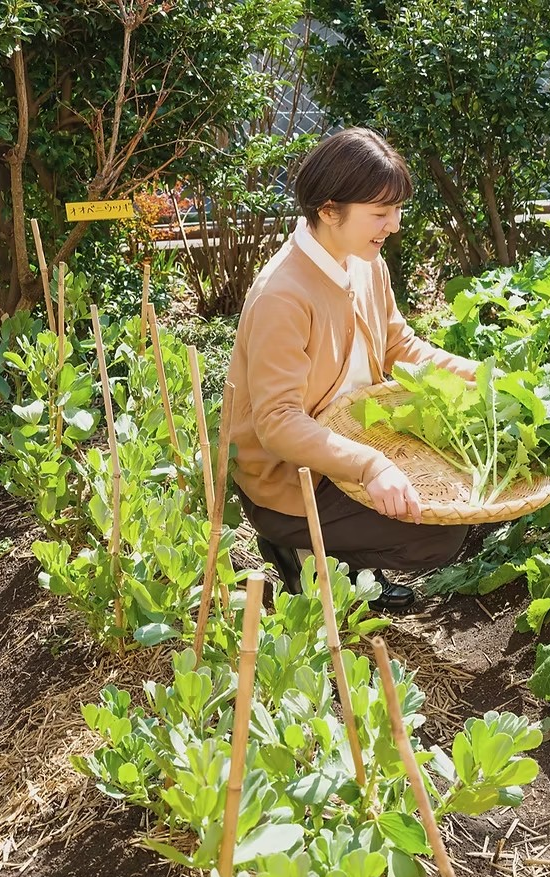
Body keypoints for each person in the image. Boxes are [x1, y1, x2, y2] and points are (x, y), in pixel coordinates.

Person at [226, 128, 479, 608]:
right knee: (437, 536)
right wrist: (372, 465)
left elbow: (398, 346)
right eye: (381, 213)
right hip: (289, 481)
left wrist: (481, 376)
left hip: (349, 444)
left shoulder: (365, 263)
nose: (395, 225)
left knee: (457, 499)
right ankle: (301, 550)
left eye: (397, 210)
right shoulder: (283, 294)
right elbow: (277, 421)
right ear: (327, 210)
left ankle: (340, 563)